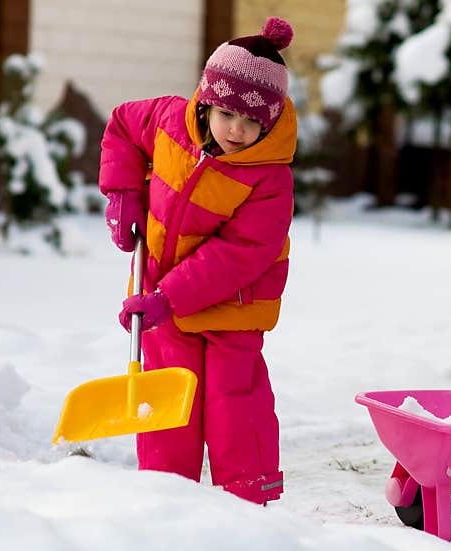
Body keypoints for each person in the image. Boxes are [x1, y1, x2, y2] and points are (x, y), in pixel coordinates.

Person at [98, 16, 297, 505]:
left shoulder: (268, 179)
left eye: (253, 122)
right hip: (162, 299)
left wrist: (168, 297)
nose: (237, 130)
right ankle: (168, 497)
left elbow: (241, 254)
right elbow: (122, 125)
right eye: (228, 114)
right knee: (168, 398)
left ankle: (247, 503)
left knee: (233, 404)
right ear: (206, 100)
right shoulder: (168, 121)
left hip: (232, 306)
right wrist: (123, 192)